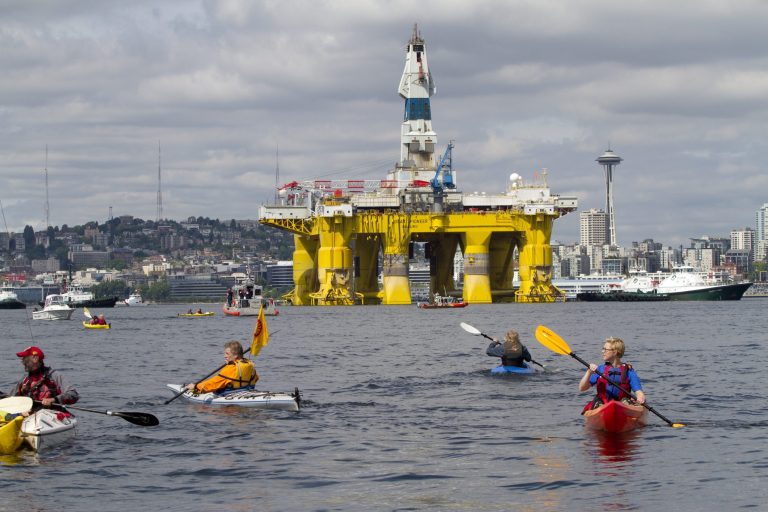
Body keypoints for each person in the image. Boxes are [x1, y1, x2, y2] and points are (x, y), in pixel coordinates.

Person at [578, 337, 646, 412]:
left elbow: (639, 392)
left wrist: (641, 398)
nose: (602, 351)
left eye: (605, 349)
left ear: (615, 352)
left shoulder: (629, 371)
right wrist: (588, 372)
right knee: (598, 401)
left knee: (626, 400)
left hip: (622, 406)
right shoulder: (600, 369)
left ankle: (625, 406)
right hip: (602, 405)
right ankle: (600, 407)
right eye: (603, 348)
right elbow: (582, 388)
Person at [12, 346, 79, 407]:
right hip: (30, 415)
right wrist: (21, 392)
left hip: (53, 413)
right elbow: (10, 400)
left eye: (25, 359)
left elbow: (73, 394)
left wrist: (53, 400)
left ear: (35, 359)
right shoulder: (25, 379)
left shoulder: (54, 376)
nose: (23, 362)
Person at [183, 341, 258, 394]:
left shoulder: (231, 368)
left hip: (230, 393)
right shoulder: (249, 363)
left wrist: (196, 386)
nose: (224, 356)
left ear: (235, 356)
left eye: (227, 354)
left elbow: (214, 383)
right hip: (247, 390)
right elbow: (256, 378)